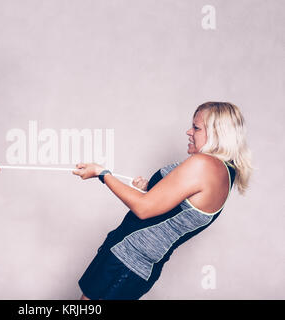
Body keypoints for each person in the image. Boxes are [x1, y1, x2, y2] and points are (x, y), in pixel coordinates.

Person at [73, 102, 252, 300]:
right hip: (132, 260)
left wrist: (102, 174)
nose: (188, 132)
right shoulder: (224, 171)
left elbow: (143, 209)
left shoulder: (204, 164)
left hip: (128, 261)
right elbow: (179, 207)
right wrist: (151, 189)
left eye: (196, 127)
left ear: (218, 133)